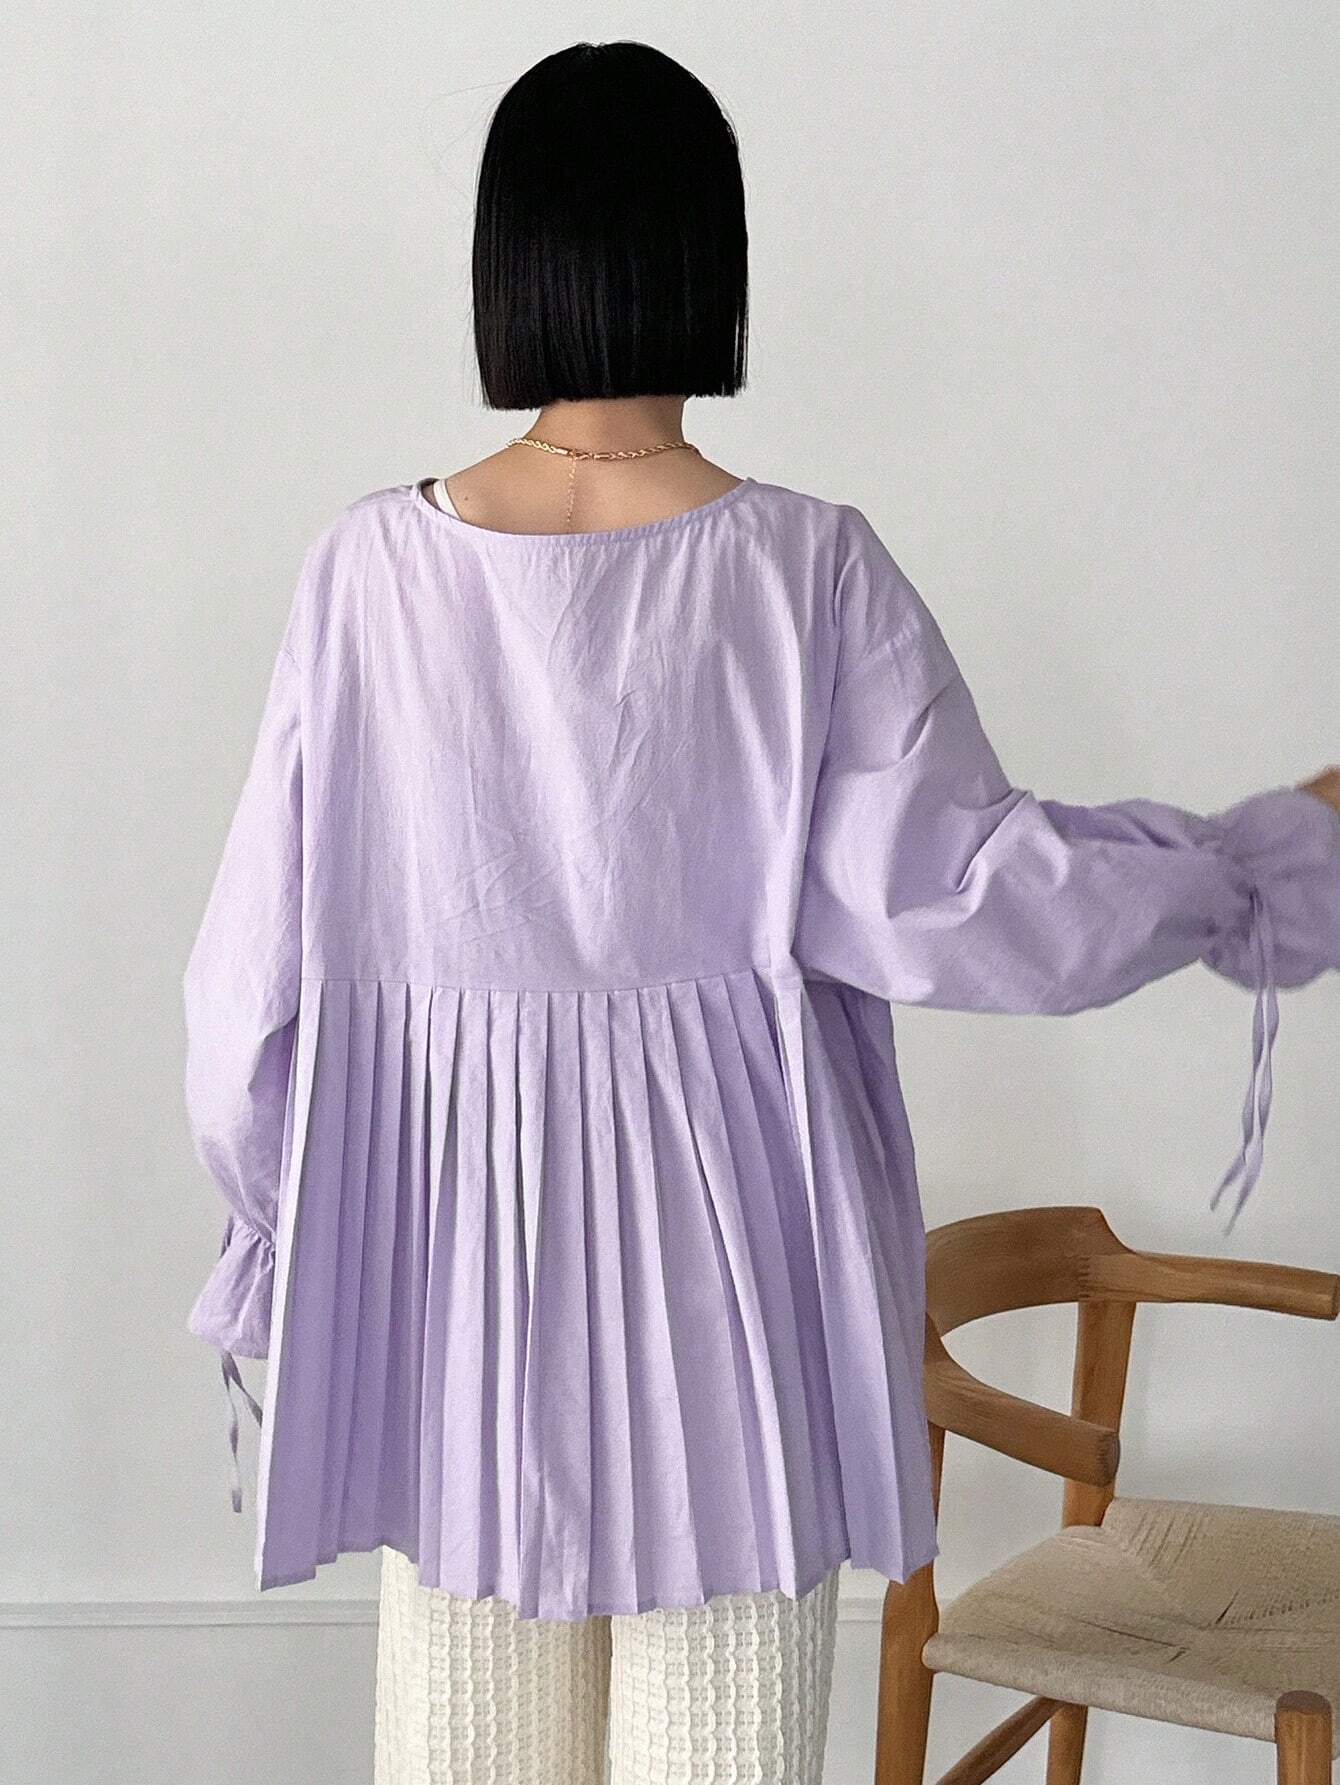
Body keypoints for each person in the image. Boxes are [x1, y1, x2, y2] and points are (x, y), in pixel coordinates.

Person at [180, 39, 1340, 1785]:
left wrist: (286, 1230)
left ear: (508, 270)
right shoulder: (806, 570)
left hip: (461, 1320)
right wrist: (1253, 869)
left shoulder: (367, 574)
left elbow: (243, 996)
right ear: (708, 263)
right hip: (735, 1302)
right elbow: (972, 894)